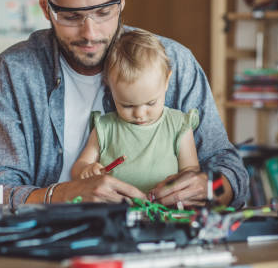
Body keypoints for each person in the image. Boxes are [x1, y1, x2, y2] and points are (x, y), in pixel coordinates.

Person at [0, 0, 248, 208]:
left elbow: (233, 175)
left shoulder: (174, 62)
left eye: (104, 12)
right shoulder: (13, 73)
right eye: (71, 16)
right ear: (45, 6)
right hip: (50, 242)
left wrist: (209, 186)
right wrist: (68, 193)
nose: (90, 33)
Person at [71, 29, 200, 197]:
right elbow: (78, 168)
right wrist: (87, 170)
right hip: (117, 211)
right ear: (109, 86)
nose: (140, 114)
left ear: (167, 81)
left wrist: (179, 185)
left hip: (165, 212)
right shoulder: (105, 127)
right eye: (127, 105)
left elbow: (191, 171)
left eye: (151, 103)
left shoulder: (178, 125)